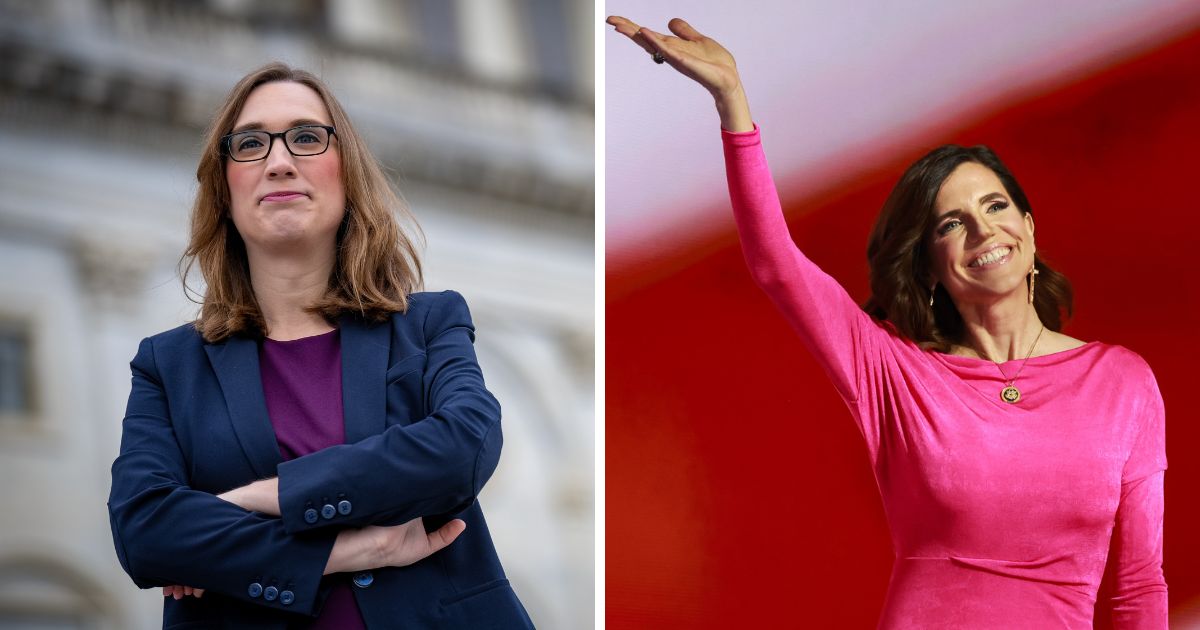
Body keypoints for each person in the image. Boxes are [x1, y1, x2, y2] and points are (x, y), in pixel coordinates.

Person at [608, 16, 1166, 628]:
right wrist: (733, 103)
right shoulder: (895, 373)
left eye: (996, 205)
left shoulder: (1123, 383)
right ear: (929, 266)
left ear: (1029, 228)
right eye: (950, 224)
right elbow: (776, 265)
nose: (983, 230)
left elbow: (1139, 586)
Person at [106, 62, 535, 629]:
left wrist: (250, 501)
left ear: (347, 173)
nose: (279, 162)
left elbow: (463, 447)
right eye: (251, 144)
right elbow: (144, 532)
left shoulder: (429, 324)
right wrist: (355, 552)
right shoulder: (168, 365)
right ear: (224, 190)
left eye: (307, 138)